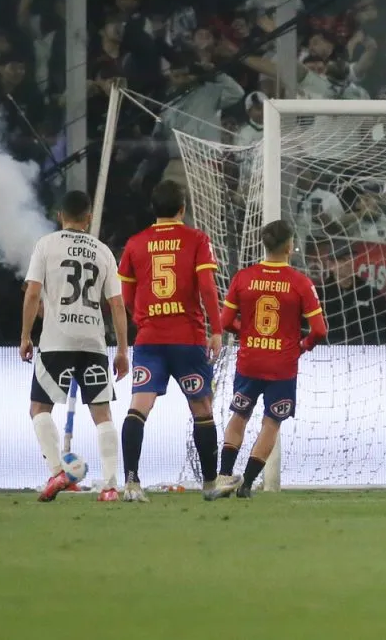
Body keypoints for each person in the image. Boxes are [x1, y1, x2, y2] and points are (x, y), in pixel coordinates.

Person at [116, 180, 223, 503]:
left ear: (154, 208)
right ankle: (210, 484)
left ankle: (131, 482)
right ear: (182, 209)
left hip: (150, 340)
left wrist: (143, 320)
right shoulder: (197, 239)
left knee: (139, 406)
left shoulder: (135, 243)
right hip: (187, 339)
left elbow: (125, 296)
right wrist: (216, 329)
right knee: (201, 407)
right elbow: (207, 288)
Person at [20, 191, 130, 502]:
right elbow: (117, 304)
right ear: (89, 217)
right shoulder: (103, 251)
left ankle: (57, 472)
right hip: (93, 341)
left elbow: (32, 293)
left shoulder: (46, 245)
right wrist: (122, 350)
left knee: (39, 408)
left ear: (60, 216)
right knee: (103, 414)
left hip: (57, 340)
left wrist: (26, 335)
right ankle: (110, 486)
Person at [207, 220, 328, 500]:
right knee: (271, 423)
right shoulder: (300, 283)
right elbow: (320, 330)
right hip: (282, 366)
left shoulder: (243, 278)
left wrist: (247, 333)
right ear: (289, 246)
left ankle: (224, 476)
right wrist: (302, 346)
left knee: (239, 415)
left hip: (249, 361)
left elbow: (225, 321)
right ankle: (247, 485)